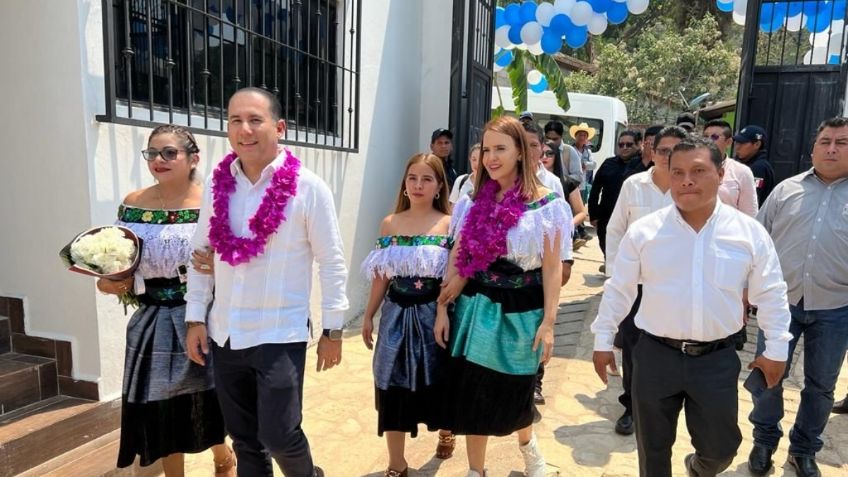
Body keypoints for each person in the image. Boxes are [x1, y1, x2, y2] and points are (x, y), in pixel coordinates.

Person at [591, 136, 792, 477]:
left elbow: (771, 292)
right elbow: (619, 289)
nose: (687, 180)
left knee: (721, 449)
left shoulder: (748, 233)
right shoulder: (645, 232)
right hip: (655, 356)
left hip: (715, 360)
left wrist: (776, 348)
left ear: (722, 172)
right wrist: (602, 339)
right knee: (653, 451)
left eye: (699, 170)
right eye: (678, 172)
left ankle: (698, 468)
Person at [184, 87, 349, 477]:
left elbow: (331, 262)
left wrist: (334, 329)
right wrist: (195, 317)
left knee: (279, 435)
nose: (244, 129)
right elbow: (200, 251)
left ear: (279, 127)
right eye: (235, 120)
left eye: (255, 120)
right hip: (225, 333)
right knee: (243, 439)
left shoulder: (309, 188)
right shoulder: (216, 183)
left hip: (279, 333)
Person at [435, 116, 573, 477]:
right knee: (474, 391)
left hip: (522, 310)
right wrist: (443, 307)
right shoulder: (473, 201)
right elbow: (459, 254)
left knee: (515, 389)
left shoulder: (548, 206)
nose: (491, 157)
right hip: (476, 305)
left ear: (519, 153)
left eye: (501, 149)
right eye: (486, 149)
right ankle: (475, 471)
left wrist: (550, 323)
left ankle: (528, 447)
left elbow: (552, 267)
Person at [96, 125, 234, 476]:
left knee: (208, 399)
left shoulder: (215, 202)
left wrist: (220, 266)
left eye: (169, 152)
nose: (159, 160)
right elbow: (118, 262)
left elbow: (239, 260)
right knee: (164, 410)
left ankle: (223, 456)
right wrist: (112, 282)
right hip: (152, 320)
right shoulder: (133, 203)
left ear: (193, 158)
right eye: (152, 153)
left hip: (202, 317)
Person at [747, 116, 848, 477]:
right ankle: (764, 440)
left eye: (842, 142)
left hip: (837, 308)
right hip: (781, 304)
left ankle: (804, 449)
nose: (832, 148)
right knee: (768, 374)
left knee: (821, 385)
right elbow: (757, 243)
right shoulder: (786, 190)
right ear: (813, 148)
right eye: (826, 141)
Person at [360, 153, 453, 477]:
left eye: (427, 179)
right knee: (391, 384)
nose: (418, 185)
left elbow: (453, 277)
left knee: (440, 384)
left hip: (435, 318)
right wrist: (369, 315)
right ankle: (396, 464)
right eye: (412, 177)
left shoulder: (450, 223)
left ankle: (446, 429)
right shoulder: (390, 223)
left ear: (440, 185)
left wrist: (442, 311)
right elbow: (381, 275)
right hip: (395, 317)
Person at [603, 126, 687, 436]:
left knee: (670, 349)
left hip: (677, 287)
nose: (668, 157)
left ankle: (664, 404)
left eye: (676, 150)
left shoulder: (690, 187)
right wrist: (615, 275)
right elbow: (615, 230)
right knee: (634, 348)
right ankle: (631, 405)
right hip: (635, 285)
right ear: (651, 151)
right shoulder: (633, 186)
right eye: (663, 150)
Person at [588, 130, 640, 265]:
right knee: (607, 247)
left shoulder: (644, 166)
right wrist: (593, 215)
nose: (624, 148)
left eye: (629, 145)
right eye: (621, 145)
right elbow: (595, 189)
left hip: (633, 218)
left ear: (639, 144)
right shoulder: (608, 163)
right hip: (607, 217)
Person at [703, 119, 758, 217]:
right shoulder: (688, 169)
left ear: (728, 142)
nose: (708, 141)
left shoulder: (742, 172)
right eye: (705, 136)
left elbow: (750, 215)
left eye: (714, 137)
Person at [542, 140, 588, 251]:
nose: (544, 157)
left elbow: (581, 212)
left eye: (549, 153)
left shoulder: (567, 182)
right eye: (541, 153)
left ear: (556, 156)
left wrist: (567, 226)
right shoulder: (527, 181)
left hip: (562, 237)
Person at [733, 125, 775, 206]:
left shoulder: (759, 167)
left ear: (757, 144)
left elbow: (752, 200)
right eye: (737, 143)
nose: (737, 147)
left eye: (742, 143)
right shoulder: (745, 163)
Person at [544, 120, 583, 184]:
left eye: (555, 139)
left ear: (561, 137)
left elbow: (579, 176)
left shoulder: (569, 151)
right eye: (548, 138)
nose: (551, 142)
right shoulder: (540, 150)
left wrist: (560, 179)